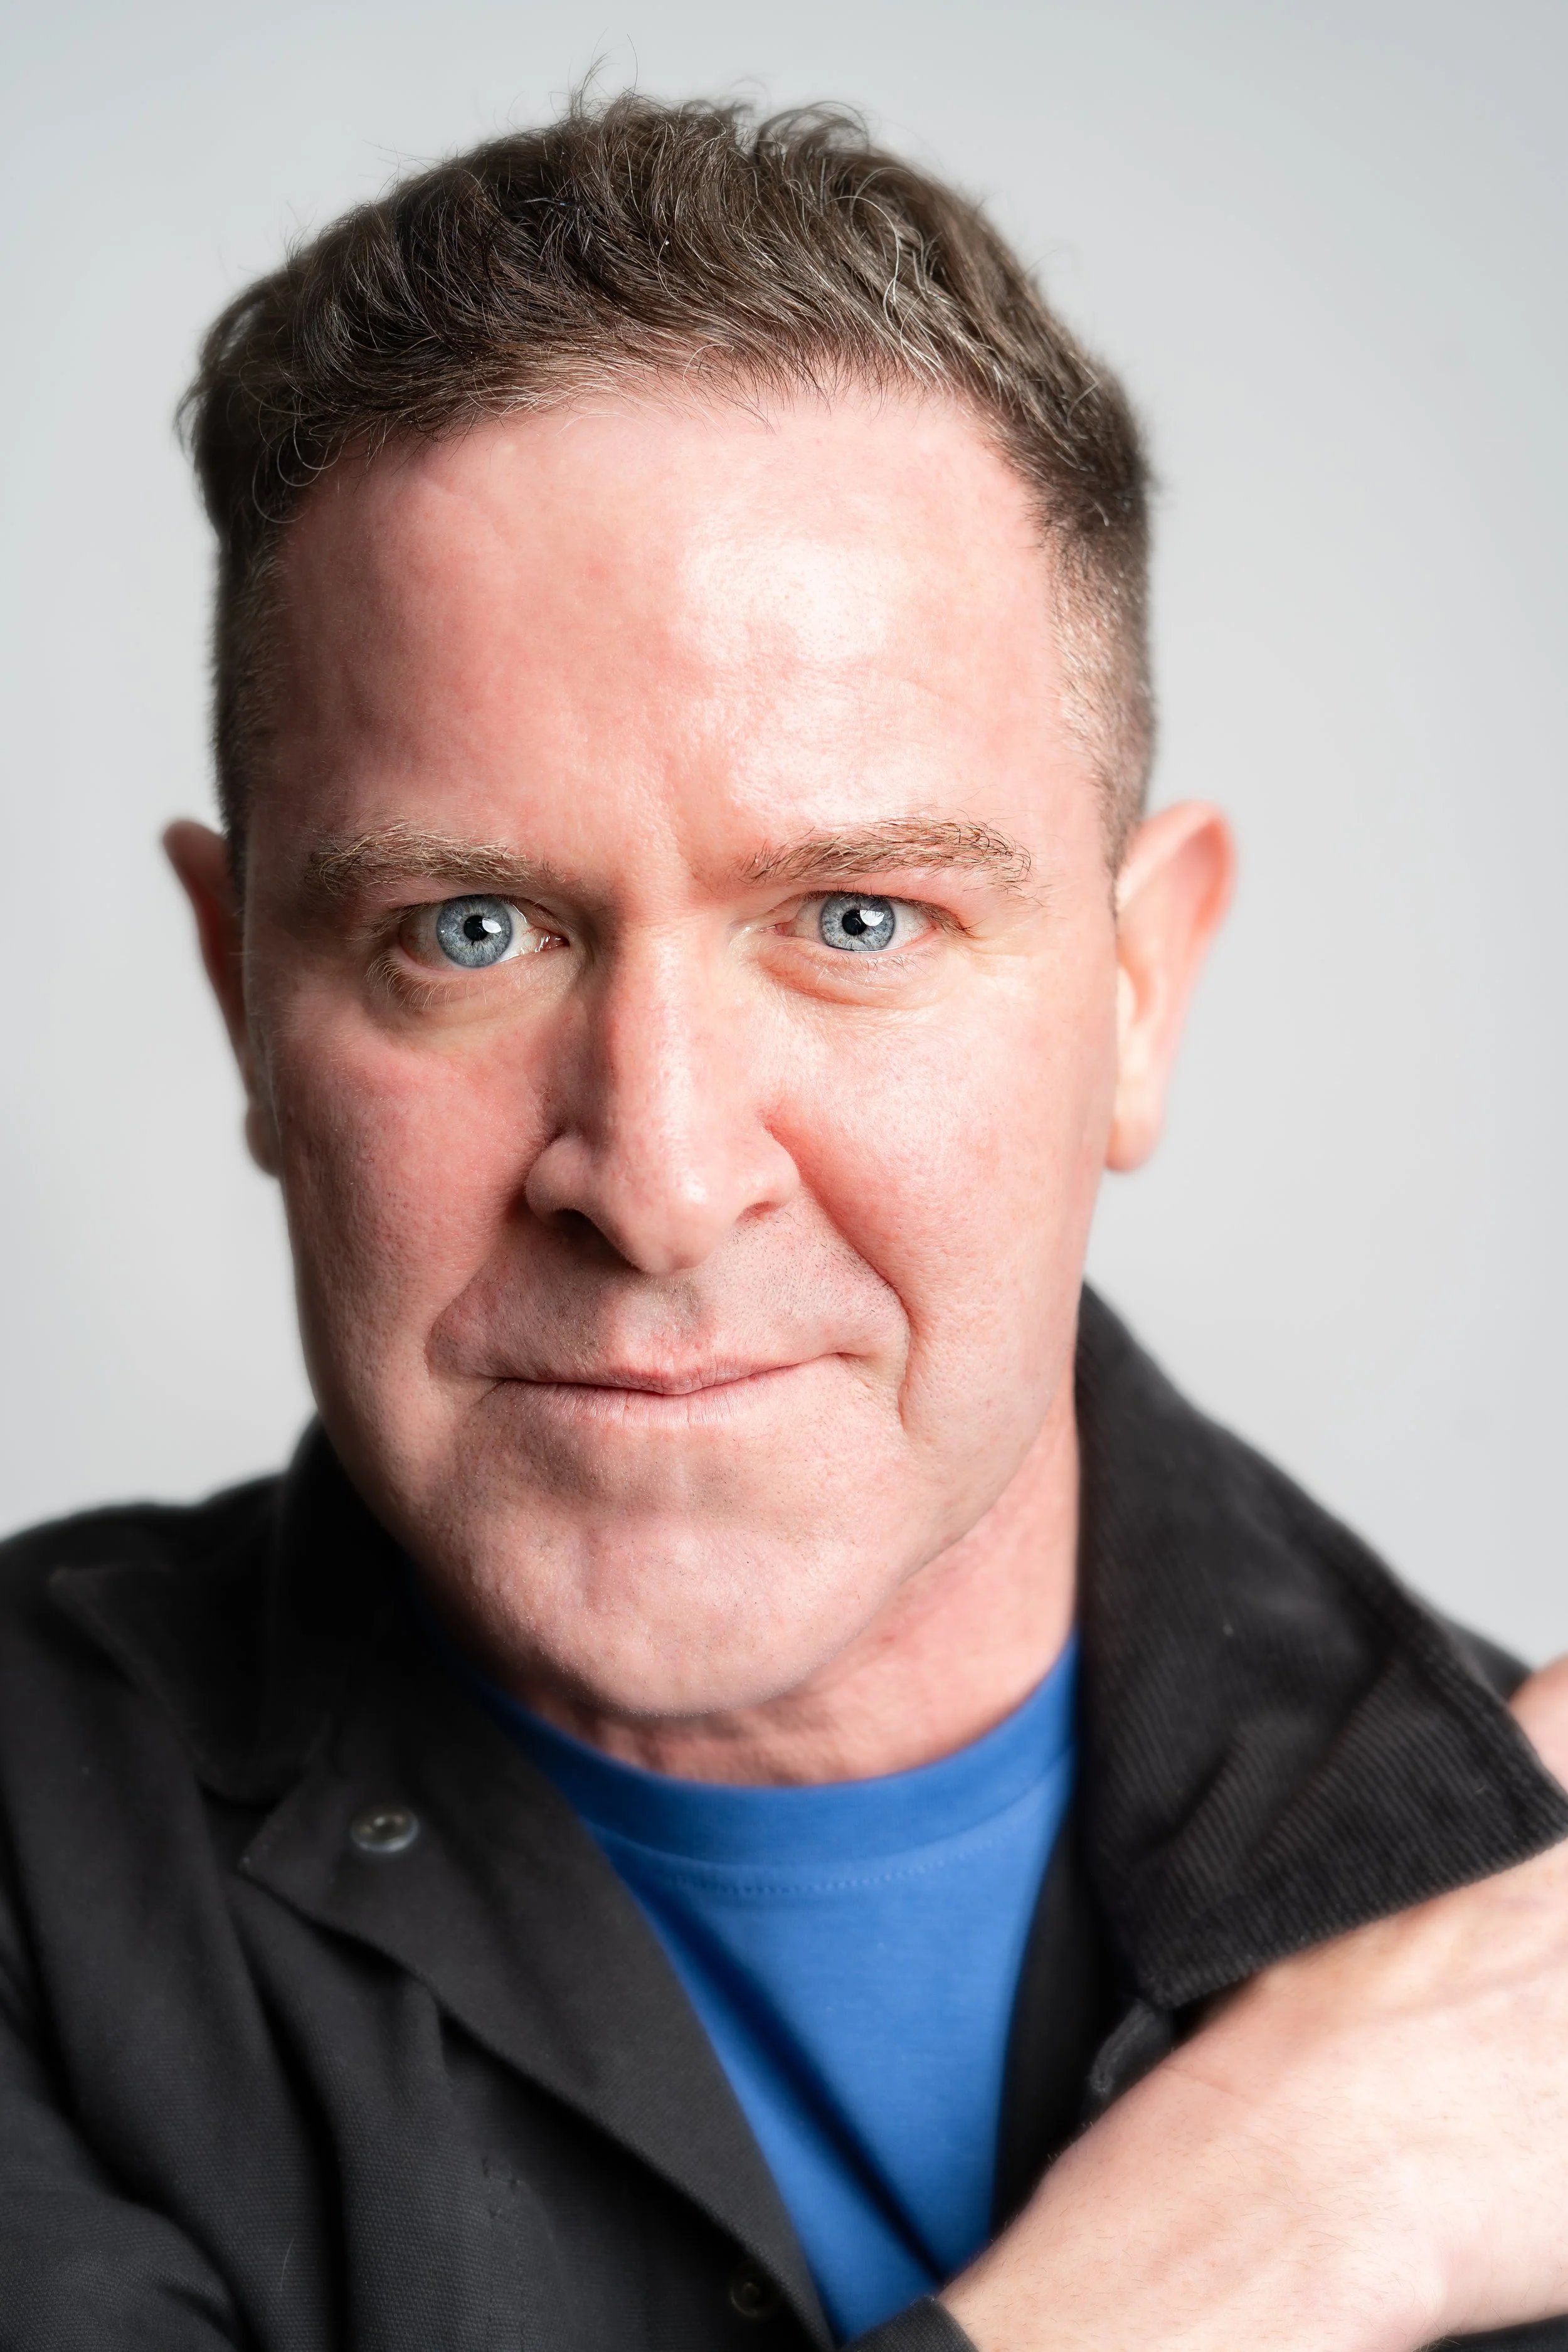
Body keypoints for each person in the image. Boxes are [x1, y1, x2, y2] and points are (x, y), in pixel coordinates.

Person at [2, 93, 1565, 2352]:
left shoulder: (1522, 1944)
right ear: (239, 992)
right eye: (467, 931)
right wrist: (1273, 2226)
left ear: (1140, 995)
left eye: (854, 915)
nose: (652, 1176)